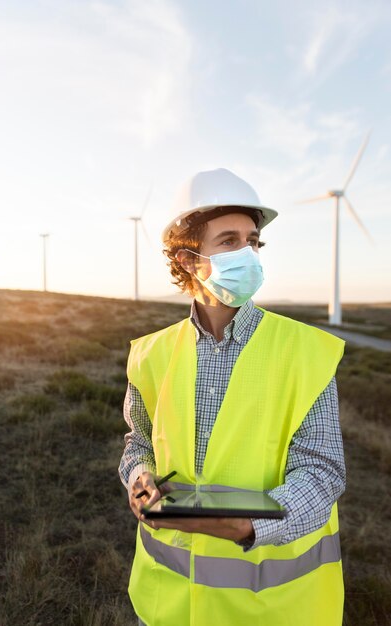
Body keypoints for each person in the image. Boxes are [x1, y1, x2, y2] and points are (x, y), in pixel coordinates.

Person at [118, 168, 346, 626]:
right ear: (187, 259)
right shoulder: (150, 354)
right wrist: (139, 478)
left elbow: (321, 473)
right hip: (167, 605)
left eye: (253, 241)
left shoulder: (306, 351)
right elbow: (138, 441)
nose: (248, 253)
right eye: (229, 241)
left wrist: (247, 526)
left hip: (272, 610)